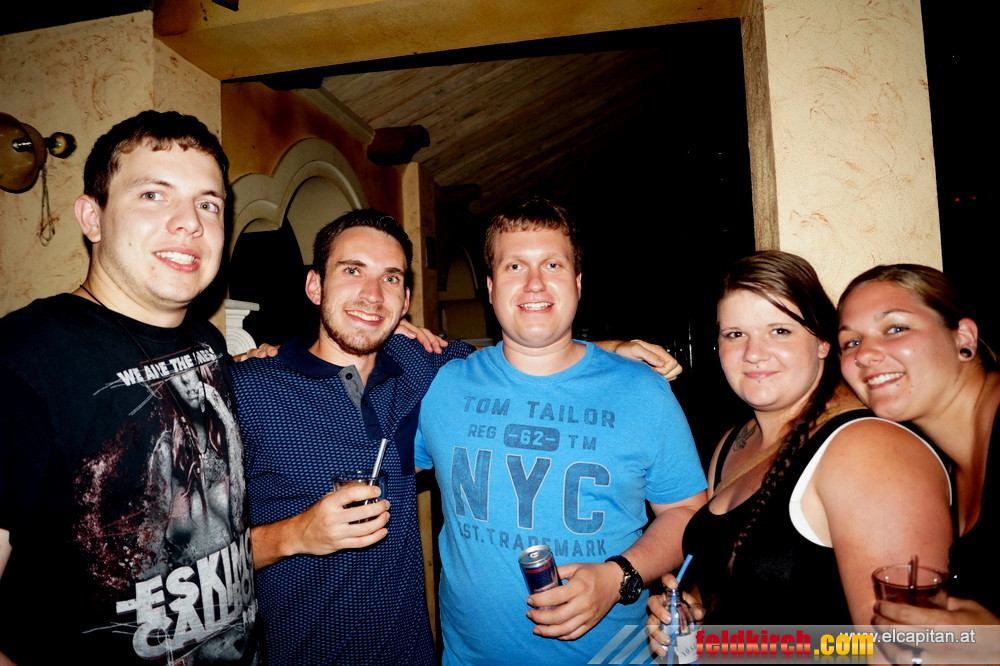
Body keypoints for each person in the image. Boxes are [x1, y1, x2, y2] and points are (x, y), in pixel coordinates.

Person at [228, 208, 681, 664]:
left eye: (390, 278)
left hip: (412, 656)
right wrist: (293, 536)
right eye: (352, 271)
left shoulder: (427, 369)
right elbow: (195, 566)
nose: (372, 293)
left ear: (405, 300)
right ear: (314, 286)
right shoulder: (244, 392)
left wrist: (613, 351)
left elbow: (528, 349)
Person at [0, 111, 259, 664]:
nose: (189, 223)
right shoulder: (22, 360)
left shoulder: (206, 340)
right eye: (153, 195)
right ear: (91, 218)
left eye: (208, 204)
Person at [413, 196, 709, 664]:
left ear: (577, 283)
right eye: (514, 266)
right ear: (490, 288)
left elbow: (687, 511)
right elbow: (373, 465)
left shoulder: (643, 391)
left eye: (552, 264)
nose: (534, 282)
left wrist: (618, 576)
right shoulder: (442, 386)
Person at [647, 251, 952, 653]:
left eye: (780, 330)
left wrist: (730, 648)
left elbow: (910, 649)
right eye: (734, 334)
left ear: (823, 342)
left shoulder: (869, 449)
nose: (753, 353)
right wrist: (694, 613)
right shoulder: (734, 443)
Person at [838, 264, 1000, 659]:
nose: (865, 355)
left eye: (896, 328)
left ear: (963, 338)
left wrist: (993, 647)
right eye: (851, 342)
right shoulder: (940, 461)